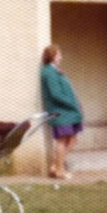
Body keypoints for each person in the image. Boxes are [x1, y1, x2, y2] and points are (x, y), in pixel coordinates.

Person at [40, 44, 83, 179]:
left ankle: (55, 166)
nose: (61, 57)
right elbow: (55, 94)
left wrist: (76, 103)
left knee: (73, 138)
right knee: (62, 140)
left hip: (69, 111)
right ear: (52, 56)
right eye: (58, 54)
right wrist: (72, 103)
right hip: (61, 111)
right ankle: (59, 171)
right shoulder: (48, 71)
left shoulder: (55, 70)